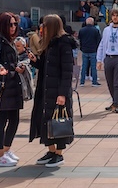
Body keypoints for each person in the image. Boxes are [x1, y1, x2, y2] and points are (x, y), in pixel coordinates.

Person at [29, 14, 77, 168]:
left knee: (59, 120)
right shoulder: (49, 43)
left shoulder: (64, 43)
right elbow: (46, 67)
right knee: (46, 120)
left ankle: (59, 153)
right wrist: (35, 61)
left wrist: (62, 93)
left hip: (57, 90)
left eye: (45, 26)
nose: (42, 29)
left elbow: (67, 71)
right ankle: (50, 150)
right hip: (46, 88)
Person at [0, 12, 26, 167]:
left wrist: (18, 66)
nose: (13, 27)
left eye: (15, 24)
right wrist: (2, 69)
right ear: (3, 25)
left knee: (14, 119)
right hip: (3, 84)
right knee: (1, 120)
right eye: (10, 24)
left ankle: (5, 149)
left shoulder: (10, 40)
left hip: (12, 83)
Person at [78, 17, 102, 86]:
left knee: (84, 66)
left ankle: (82, 82)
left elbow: (80, 40)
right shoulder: (95, 30)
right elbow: (98, 40)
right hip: (93, 50)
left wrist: (82, 47)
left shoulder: (82, 30)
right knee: (93, 67)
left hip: (85, 50)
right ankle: (94, 82)